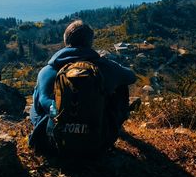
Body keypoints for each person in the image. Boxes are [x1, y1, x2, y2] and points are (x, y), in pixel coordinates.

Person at [29, 20, 136, 155]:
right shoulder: (104, 67)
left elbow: (40, 106)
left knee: (36, 103)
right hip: (100, 142)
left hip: (54, 144)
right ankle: (109, 126)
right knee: (121, 87)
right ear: (90, 42)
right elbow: (131, 77)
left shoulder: (47, 70)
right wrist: (108, 64)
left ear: (65, 40)